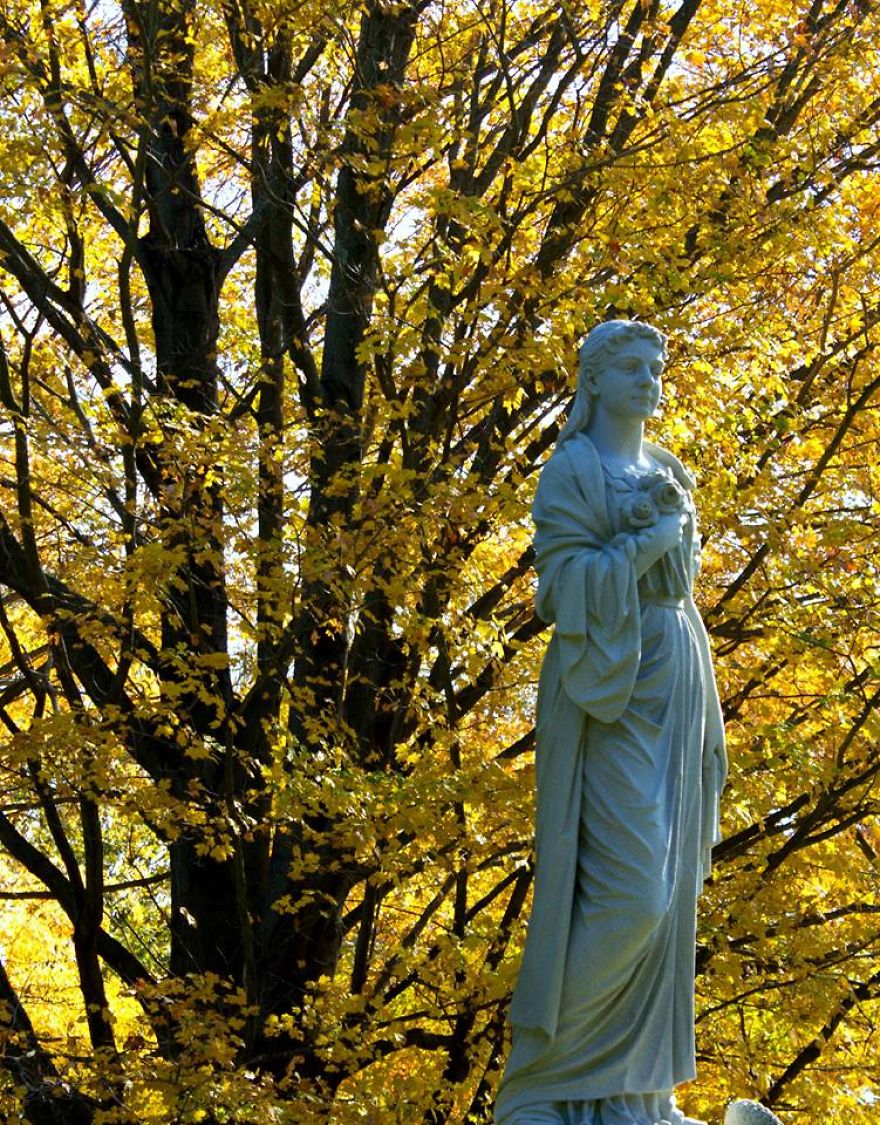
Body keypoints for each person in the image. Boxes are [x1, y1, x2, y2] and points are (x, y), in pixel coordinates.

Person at [495, 321, 727, 1125]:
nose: (649, 378)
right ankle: (544, 1078)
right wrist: (645, 545)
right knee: (634, 894)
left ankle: (635, 1095)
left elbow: (681, 580)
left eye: (657, 366)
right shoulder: (573, 469)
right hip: (606, 687)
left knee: (671, 896)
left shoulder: (668, 469)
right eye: (630, 365)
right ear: (592, 379)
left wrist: (665, 539)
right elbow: (558, 592)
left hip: (674, 673)